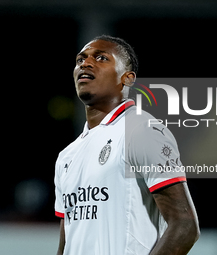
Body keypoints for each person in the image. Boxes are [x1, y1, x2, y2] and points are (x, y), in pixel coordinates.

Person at [54, 35, 200, 255]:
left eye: (101, 58)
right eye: (80, 60)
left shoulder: (142, 130)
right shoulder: (67, 155)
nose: (85, 63)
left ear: (128, 78)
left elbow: (185, 226)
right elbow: (67, 241)